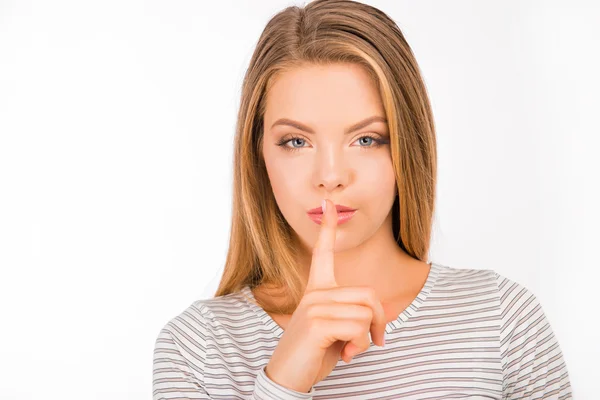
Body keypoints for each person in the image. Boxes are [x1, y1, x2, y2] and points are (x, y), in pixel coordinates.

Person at [152, 0, 572, 398]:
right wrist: (283, 382)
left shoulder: (500, 317)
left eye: (366, 139)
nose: (331, 176)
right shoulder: (197, 348)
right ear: (258, 154)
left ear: (408, 147)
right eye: (296, 141)